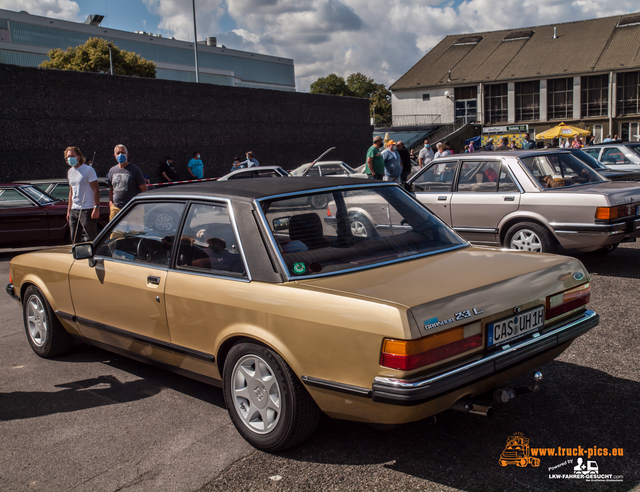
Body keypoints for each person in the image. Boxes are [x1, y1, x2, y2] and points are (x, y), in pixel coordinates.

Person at [65, 146, 100, 243]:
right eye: (68, 156)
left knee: (91, 236)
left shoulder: (88, 170)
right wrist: (69, 210)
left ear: (79, 157)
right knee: (74, 237)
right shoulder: (70, 172)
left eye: (72, 156)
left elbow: (96, 190)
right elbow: (71, 191)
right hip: (74, 209)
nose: (69, 158)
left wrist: (96, 207)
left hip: (87, 209)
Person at [106, 144, 148, 221]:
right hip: (116, 209)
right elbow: (111, 189)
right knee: (115, 233)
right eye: (118, 153)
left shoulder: (135, 170)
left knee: (135, 232)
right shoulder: (112, 170)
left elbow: (144, 189)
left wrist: (140, 205)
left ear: (127, 155)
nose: (120, 155)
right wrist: (111, 203)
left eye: (122, 152)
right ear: (115, 156)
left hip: (133, 209)